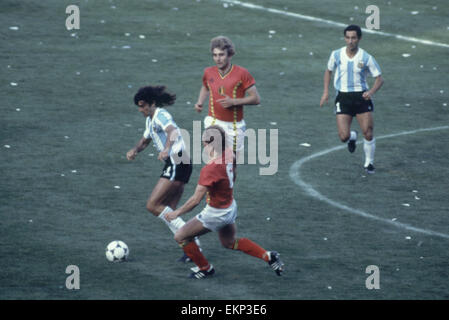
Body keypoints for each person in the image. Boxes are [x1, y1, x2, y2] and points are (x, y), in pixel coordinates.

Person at [166, 125, 284, 279]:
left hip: (216, 213)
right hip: (230, 206)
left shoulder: (210, 169)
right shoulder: (229, 154)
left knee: (181, 236)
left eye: (204, 144)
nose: (203, 147)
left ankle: (205, 268)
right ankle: (268, 256)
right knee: (229, 242)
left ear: (210, 144)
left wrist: (177, 212)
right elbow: (234, 173)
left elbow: (195, 200)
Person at [126, 85, 201, 260]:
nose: (140, 109)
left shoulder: (161, 115)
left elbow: (173, 131)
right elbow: (145, 141)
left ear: (151, 103)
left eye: (142, 105)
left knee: (153, 205)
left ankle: (193, 238)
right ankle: (191, 250)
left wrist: (166, 148)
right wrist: (135, 150)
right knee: (170, 211)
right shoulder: (150, 120)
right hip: (180, 161)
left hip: (177, 159)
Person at [320, 25, 384, 173]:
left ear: (359, 39)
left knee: (368, 132)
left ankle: (369, 163)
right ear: (344, 38)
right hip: (343, 97)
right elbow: (328, 71)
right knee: (343, 136)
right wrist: (325, 92)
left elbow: (379, 79)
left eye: (353, 38)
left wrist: (371, 92)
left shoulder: (366, 57)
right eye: (348, 38)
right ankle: (352, 137)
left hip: (361, 96)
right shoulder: (336, 54)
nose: (350, 41)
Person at [194, 36, 261, 159]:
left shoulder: (242, 74)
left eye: (221, 55)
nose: (218, 59)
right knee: (214, 161)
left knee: (231, 164)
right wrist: (200, 102)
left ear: (229, 55)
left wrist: (233, 102)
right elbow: (205, 86)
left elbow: (256, 99)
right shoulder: (208, 72)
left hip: (234, 126)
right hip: (213, 121)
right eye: (215, 55)